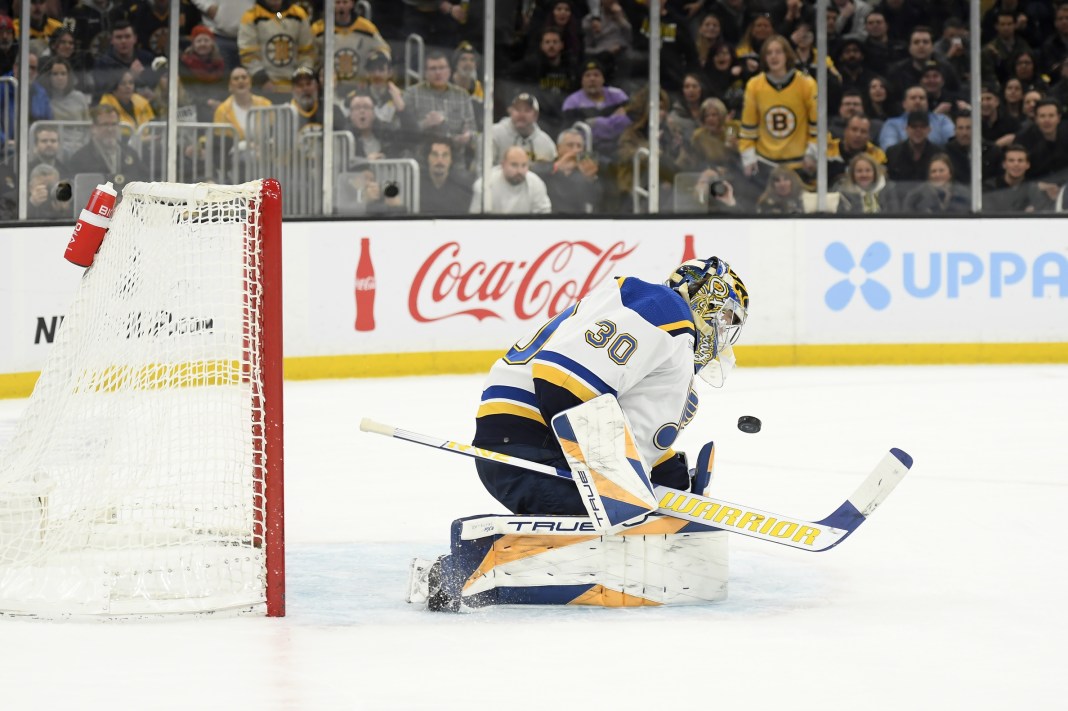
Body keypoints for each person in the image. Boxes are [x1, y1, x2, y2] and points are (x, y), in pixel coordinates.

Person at [470, 255, 748, 516]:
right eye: (724, 316)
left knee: (633, 512)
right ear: (704, 298)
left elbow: (615, 409)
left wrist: (663, 468)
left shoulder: (669, 343)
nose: (724, 329)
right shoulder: (665, 308)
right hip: (532, 448)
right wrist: (620, 482)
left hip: (529, 443)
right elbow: (560, 382)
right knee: (628, 520)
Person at [738, 34, 818, 182]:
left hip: (799, 164)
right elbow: (748, 128)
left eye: (778, 52)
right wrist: (748, 159)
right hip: (765, 163)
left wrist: (812, 154)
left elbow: (817, 127)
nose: (774, 57)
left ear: (787, 54)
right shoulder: (754, 85)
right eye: (769, 53)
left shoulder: (807, 84)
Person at [237, 0, 314, 103]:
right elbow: (248, 54)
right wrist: (263, 80)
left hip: (296, 87)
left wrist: (302, 79)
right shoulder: (251, 16)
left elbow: (307, 52)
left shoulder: (299, 15)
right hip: (262, 88)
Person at [400, 50, 475, 152]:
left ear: (449, 71)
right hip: (420, 156)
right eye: (433, 69)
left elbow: (472, 127)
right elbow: (401, 129)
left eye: (442, 68)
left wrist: (467, 135)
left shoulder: (462, 95)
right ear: (425, 73)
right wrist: (425, 124)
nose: (438, 72)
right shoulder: (412, 94)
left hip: (455, 156)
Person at [312, 0, 389, 99]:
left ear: (352, 4)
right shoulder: (318, 29)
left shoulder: (366, 28)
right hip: (330, 89)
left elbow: (384, 50)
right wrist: (319, 72)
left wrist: (374, 61)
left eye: (345, 2)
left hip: (361, 89)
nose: (341, 6)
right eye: (337, 2)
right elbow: (309, 56)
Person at [69, 104, 148, 189]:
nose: (110, 129)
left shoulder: (130, 153)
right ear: (93, 128)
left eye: (114, 124)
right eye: (105, 125)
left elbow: (144, 180)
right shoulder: (80, 158)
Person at [531, 127, 603, 214]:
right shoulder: (547, 167)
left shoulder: (585, 172)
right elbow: (531, 175)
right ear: (558, 148)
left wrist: (590, 180)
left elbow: (596, 200)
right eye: (570, 145)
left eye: (579, 146)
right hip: (550, 219)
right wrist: (557, 167)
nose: (575, 150)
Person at [469, 145, 551, 214]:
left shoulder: (536, 184)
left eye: (524, 165)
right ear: (503, 165)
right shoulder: (484, 185)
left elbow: (544, 217)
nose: (520, 171)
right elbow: (476, 222)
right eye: (514, 165)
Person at [92, 20, 157, 102]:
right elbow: (104, 93)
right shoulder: (102, 63)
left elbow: (156, 84)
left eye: (127, 36)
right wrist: (131, 76)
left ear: (135, 39)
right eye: (119, 37)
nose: (123, 41)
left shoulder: (147, 58)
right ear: (112, 40)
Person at [490, 92, 557, 166]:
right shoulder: (493, 134)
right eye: (517, 109)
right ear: (511, 112)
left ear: (536, 115)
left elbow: (552, 173)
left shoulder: (546, 144)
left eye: (527, 110)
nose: (521, 114)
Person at [213, 65, 272, 148]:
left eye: (244, 77)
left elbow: (274, 132)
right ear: (230, 86)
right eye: (236, 79)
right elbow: (221, 143)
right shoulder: (222, 111)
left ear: (250, 83)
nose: (240, 81)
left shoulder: (265, 104)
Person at [983, 143, 1053, 213]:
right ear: (1004, 165)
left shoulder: (1033, 189)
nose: (1016, 164)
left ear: (1027, 165)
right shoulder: (990, 187)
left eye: (1020, 160)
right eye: (1011, 160)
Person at [879, 85, 955, 148]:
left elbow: (954, 143)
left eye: (922, 98)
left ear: (927, 103)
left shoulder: (942, 120)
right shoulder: (892, 124)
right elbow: (889, 150)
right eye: (913, 98)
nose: (918, 101)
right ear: (904, 104)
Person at [179, 24, 227, 123]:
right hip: (193, 107)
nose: (202, 44)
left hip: (217, 104)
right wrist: (208, 102)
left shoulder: (221, 64)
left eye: (206, 40)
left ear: (212, 44)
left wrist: (219, 103)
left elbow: (224, 88)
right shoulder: (184, 64)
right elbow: (186, 92)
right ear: (193, 45)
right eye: (199, 41)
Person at [560, 58, 628, 126]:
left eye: (596, 75)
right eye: (587, 75)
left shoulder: (618, 95)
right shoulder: (572, 102)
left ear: (603, 79)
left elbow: (629, 119)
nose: (592, 79)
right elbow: (570, 127)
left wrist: (593, 121)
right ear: (582, 81)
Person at [884, 110, 941, 189]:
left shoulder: (939, 153)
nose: (918, 130)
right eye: (914, 126)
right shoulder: (892, 153)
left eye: (922, 127)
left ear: (929, 129)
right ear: (906, 129)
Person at [827, 114, 887, 185]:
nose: (858, 135)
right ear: (845, 131)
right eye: (854, 130)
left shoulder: (877, 155)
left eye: (863, 131)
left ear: (869, 135)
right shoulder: (827, 150)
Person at [418, 138, 473, 216]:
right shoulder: (416, 186)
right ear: (427, 158)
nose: (440, 160)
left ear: (451, 160)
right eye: (434, 154)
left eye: (445, 155)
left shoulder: (462, 188)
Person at [902, 153, 970, 213]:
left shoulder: (964, 194)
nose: (937, 175)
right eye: (933, 171)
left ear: (950, 173)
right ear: (929, 175)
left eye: (941, 171)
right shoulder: (915, 197)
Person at [39, 56, 91, 121]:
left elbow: (87, 124)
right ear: (48, 77)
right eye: (55, 74)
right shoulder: (44, 99)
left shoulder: (79, 97)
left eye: (63, 74)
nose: (60, 78)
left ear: (69, 76)